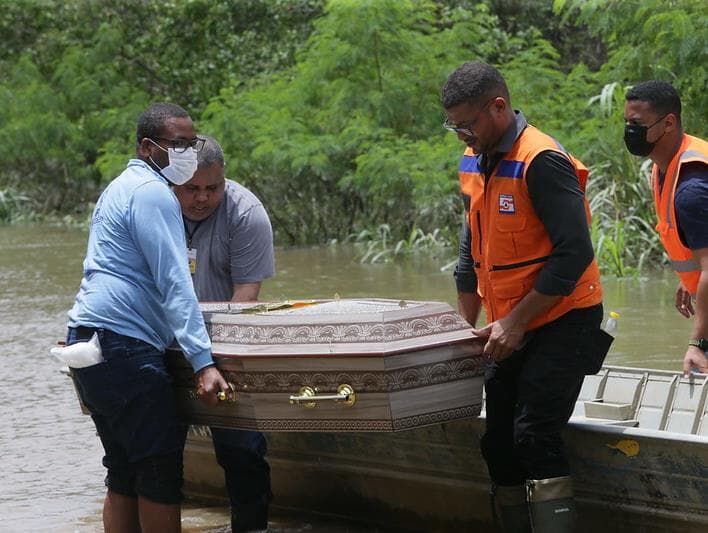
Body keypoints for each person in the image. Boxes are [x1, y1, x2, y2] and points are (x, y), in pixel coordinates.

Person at [441, 61, 610, 532]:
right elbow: (468, 252)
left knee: (534, 435)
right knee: (497, 442)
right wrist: (464, 326)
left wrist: (515, 323)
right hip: (506, 324)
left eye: (468, 124)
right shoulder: (474, 159)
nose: (462, 135)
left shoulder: (542, 160)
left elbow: (574, 253)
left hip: (564, 318)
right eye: (453, 126)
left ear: (498, 107)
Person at [65, 103, 232, 533]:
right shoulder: (152, 193)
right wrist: (203, 362)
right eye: (177, 144)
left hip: (89, 339)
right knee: (158, 473)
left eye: (191, 144)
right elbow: (175, 282)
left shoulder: (120, 187)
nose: (187, 153)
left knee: (123, 471)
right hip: (124, 347)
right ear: (147, 146)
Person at [173, 135, 275, 533]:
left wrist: (208, 361)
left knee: (242, 448)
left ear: (224, 179)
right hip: (163, 339)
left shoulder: (246, 213)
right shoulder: (155, 207)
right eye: (191, 189)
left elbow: (245, 300)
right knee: (157, 450)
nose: (201, 199)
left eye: (212, 188)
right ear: (173, 183)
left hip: (227, 341)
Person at [623, 81, 708, 376]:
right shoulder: (666, 167)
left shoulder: (691, 188)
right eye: (626, 122)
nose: (629, 131)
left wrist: (697, 343)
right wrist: (691, 279)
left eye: (637, 123)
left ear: (668, 123)